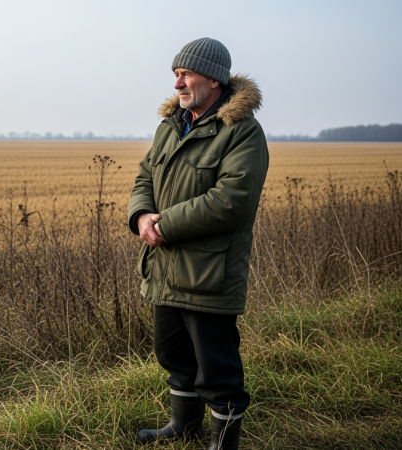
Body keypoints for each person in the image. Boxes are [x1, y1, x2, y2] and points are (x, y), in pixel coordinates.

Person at [127, 37, 268, 449]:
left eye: (185, 74)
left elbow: (232, 200)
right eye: (175, 74)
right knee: (173, 354)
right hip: (165, 267)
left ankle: (223, 444)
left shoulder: (242, 132)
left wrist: (165, 224)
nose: (177, 84)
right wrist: (141, 215)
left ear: (213, 79)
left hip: (209, 273)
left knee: (217, 369)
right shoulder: (170, 126)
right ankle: (184, 425)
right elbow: (145, 177)